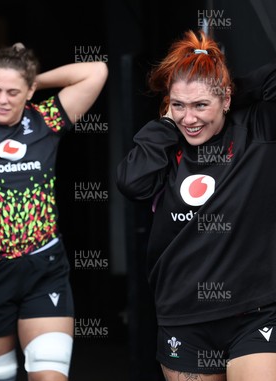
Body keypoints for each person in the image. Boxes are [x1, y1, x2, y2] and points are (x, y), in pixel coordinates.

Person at [0, 43, 108, 381]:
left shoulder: (44, 119)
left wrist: (31, 77)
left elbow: (96, 71)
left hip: (44, 272)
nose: (2, 99)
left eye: (14, 91)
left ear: (29, 91)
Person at [116, 30, 276, 380]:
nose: (190, 119)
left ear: (227, 99)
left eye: (201, 105)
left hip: (255, 312)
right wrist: (165, 123)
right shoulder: (164, 145)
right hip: (184, 317)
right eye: (179, 105)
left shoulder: (258, 130)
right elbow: (132, 182)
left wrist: (221, 84)